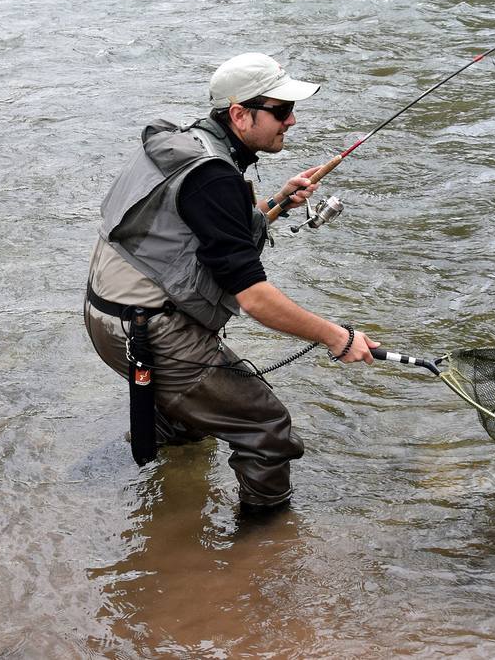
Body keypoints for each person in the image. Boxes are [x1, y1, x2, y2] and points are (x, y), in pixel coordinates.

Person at [84, 52, 377, 513]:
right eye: (281, 110)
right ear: (240, 114)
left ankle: (147, 498)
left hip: (108, 315)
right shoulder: (212, 177)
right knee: (267, 428)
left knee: (192, 419)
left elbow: (191, 235)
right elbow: (255, 298)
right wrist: (336, 337)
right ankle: (262, 552)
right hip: (146, 330)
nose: (292, 120)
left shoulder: (185, 144)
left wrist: (277, 201)